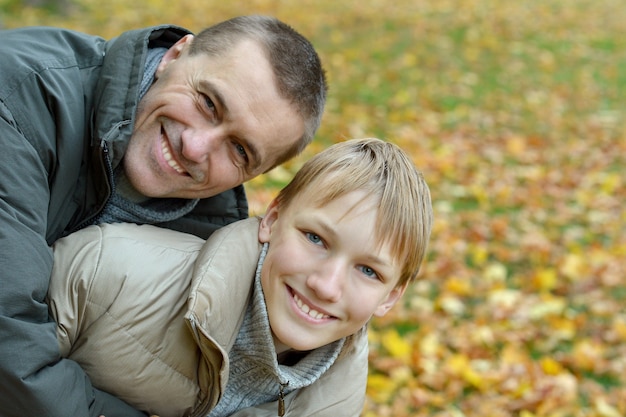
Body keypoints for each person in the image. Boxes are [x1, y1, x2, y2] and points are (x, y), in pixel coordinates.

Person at [0, 15, 327, 417]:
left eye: (240, 150)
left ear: (255, 175)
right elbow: (9, 342)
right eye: (208, 103)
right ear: (175, 55)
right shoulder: (20, 97)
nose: (195, 147)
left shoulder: (207, 241)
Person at [47, 138, 434, 417]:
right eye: (315, 238)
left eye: (368, 271)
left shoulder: (338, 402)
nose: (326, 285)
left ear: (391, 297)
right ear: (273, 218)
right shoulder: (106, 270)